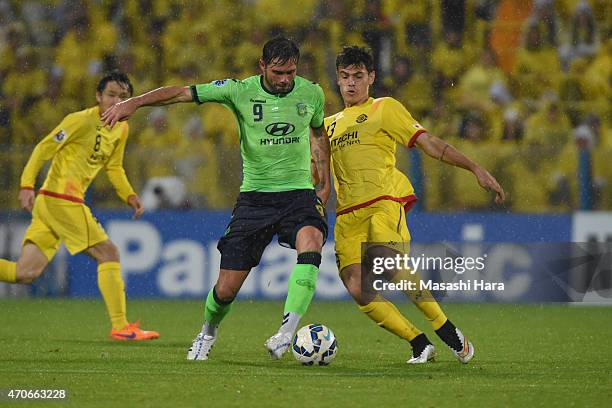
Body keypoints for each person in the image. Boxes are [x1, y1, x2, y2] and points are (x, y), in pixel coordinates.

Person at [102, 37, 331, 361]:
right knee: (225, 289)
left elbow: (319, 135)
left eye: (290, 72)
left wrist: (325, 183)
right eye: (278, 72)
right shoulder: (238, 91)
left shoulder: (311, 93)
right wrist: (134, 103)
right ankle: (207, 332)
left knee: (312, 240)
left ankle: (285, 334)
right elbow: (182, 93)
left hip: (298, 194)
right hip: (255, 200)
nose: (284, 80)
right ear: (262, 66)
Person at [324, 46, 505, 364]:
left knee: (385, 261)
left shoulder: (384, 108)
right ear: (337, 80)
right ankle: (418, 342)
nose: (350, 83)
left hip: (383, 200)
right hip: (347, 214)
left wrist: (475, 167)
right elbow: (318, 173)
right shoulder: (327, 126)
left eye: (358, 76)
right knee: (357, 287)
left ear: (371, 78)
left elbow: (429, 143)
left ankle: (444, 327)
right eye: (344, 77)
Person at [0, 72, 159, 341]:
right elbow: (43, 149)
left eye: (123, 97)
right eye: (111, 95)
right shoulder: (80, 120)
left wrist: (129, 195)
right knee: (109, 253)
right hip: (61, 199)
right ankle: (121, 326)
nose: (116, 101)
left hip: (51, 204)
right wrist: (26, 185)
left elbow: (114, 166)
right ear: (98, 96)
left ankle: (121, 326)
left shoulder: (121, 127)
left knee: (25, 272)